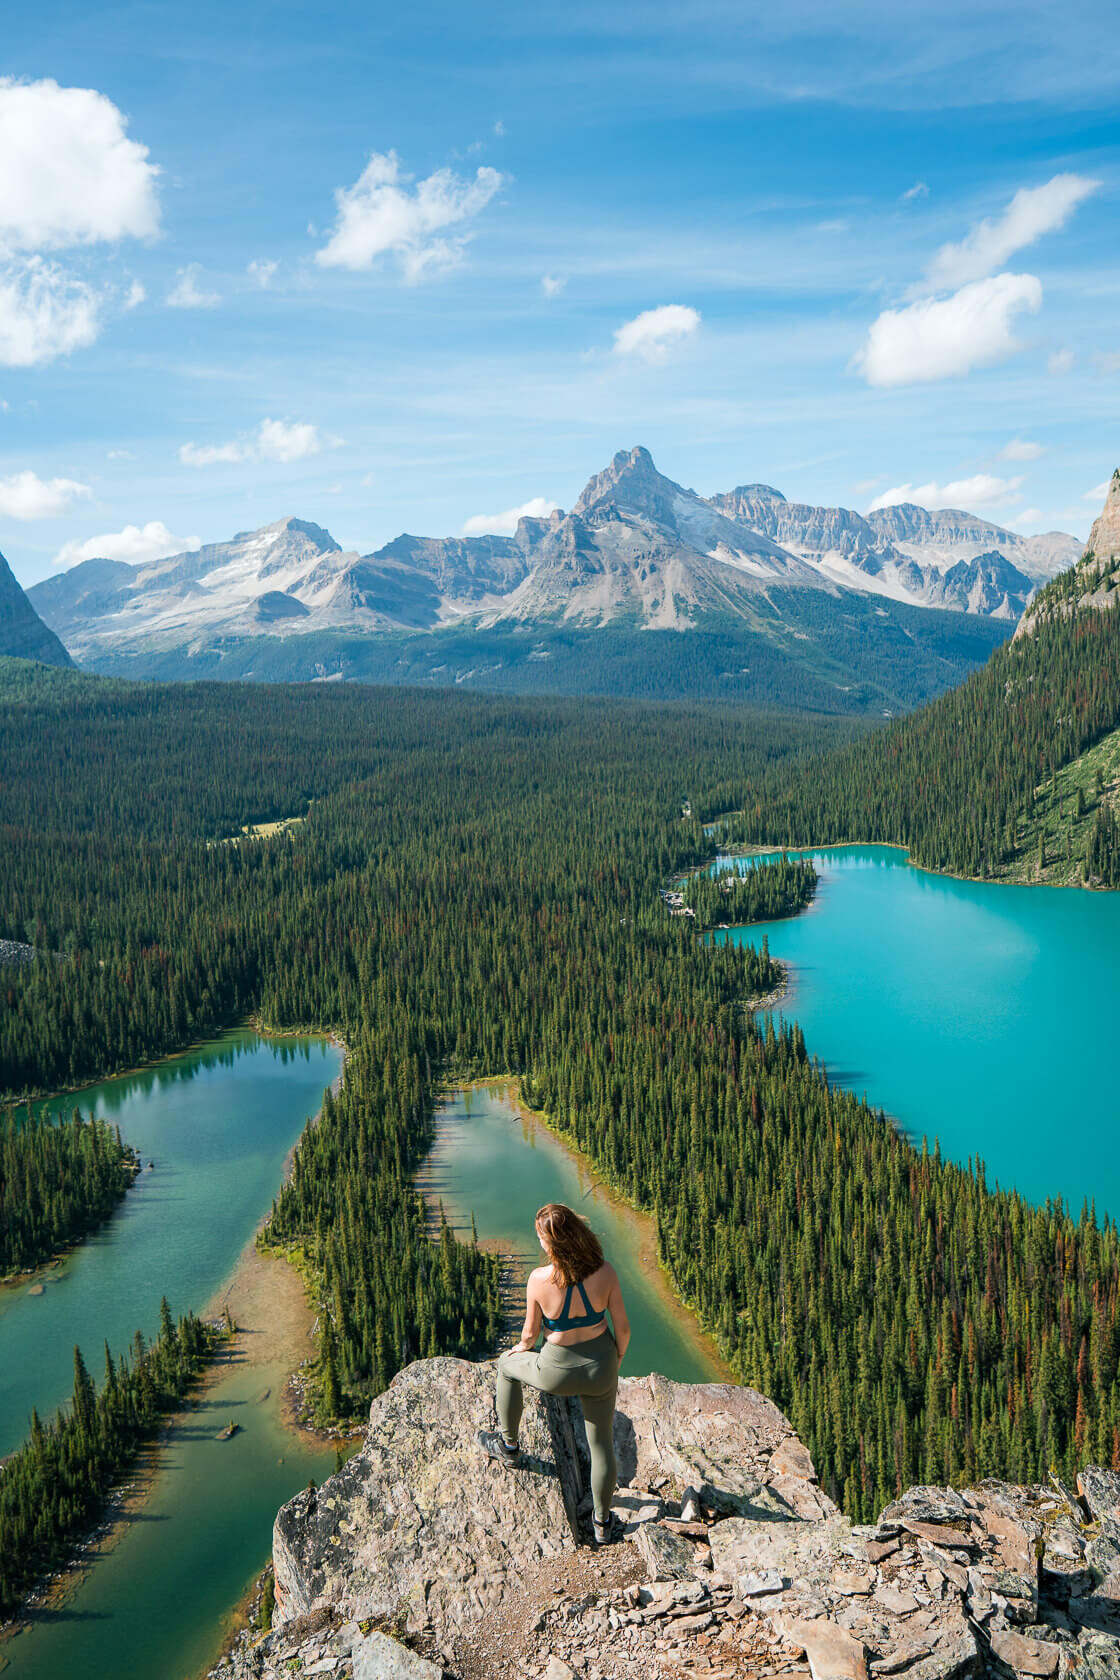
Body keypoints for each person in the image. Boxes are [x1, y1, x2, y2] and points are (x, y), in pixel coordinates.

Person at [478, 1201, 631, 1546]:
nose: (541, 1245)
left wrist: (519, 1349)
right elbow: (623, 1329)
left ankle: (509, 1446)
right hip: (601, 1368)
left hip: (556, 1373)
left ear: (554, 1244)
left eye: (542, 1240)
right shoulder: (604, 1272)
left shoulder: (539, 1280)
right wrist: (614, 1360)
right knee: (601, 1444)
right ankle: (603, 1524)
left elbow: (529, 1336)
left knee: (507, 1366)